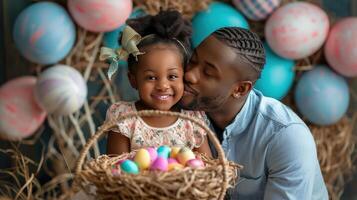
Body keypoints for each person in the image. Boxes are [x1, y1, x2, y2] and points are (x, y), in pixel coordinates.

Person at [179, 27, 328, 199]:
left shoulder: (286, 136)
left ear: (240, 89)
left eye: (208, 73)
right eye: (193, 60)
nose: (189, 75)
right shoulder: (185, 115)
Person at [104, 10, 212, 157]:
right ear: (133, 80)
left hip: (187, 181)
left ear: (183, 77)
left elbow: (207, 168)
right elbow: (116, 169)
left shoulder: (192, 121)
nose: (163, 86)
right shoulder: (124, 117)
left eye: (172, 76)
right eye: (151, 78)